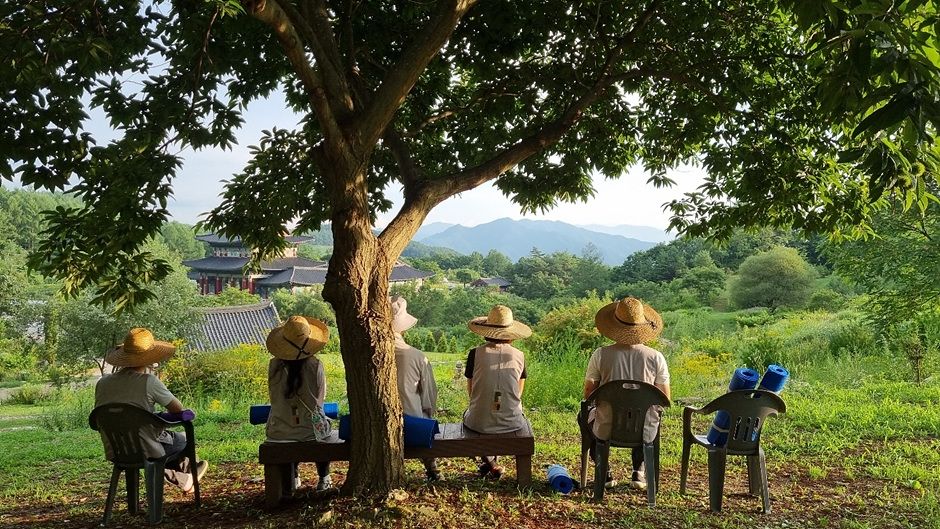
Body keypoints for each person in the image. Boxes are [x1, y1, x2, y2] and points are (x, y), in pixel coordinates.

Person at [94, 328, 209, 493]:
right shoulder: (148, 381)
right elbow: (178, 410)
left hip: (116, 450)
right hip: (146, 447)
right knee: (181, 440)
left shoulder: (102, 383)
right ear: (149, 358)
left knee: (164, 443)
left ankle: (185, 478)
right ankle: (187, 478)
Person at [583, 297, 671, 490]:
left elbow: (589, 392)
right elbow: (664, 398)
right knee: (646, 412)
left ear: (614, 325)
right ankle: (639, 471)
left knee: (584, 417)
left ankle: (603, 470)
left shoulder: (600, 354)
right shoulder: (656, 357)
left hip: (607, 425)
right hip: (644, 428)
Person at [265, 315, 334, 491]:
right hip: (310, 432)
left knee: (292, 429)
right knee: (321, 430)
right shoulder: (315, 365)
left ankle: (294, 477)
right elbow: (319, 400)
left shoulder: (274, 366)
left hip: (278, 432)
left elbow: (274, 396)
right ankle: (324, 478)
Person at [463, 304, 532, 480]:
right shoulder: (519, 355)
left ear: (486, 331)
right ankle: (493, 463)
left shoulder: (475, 354)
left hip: (478, 420)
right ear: (510, 334)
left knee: (472, 414)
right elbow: (518, 392)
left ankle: (490, 463)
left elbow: (472, 392)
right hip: (512, 422)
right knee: (503, 410)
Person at [390, 295, 441, 482]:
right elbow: (429, 398)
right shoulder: (417, 356)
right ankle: (432, 468)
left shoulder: (367, 352)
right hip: (411, 422)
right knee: (425, 416)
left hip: (374, 420)